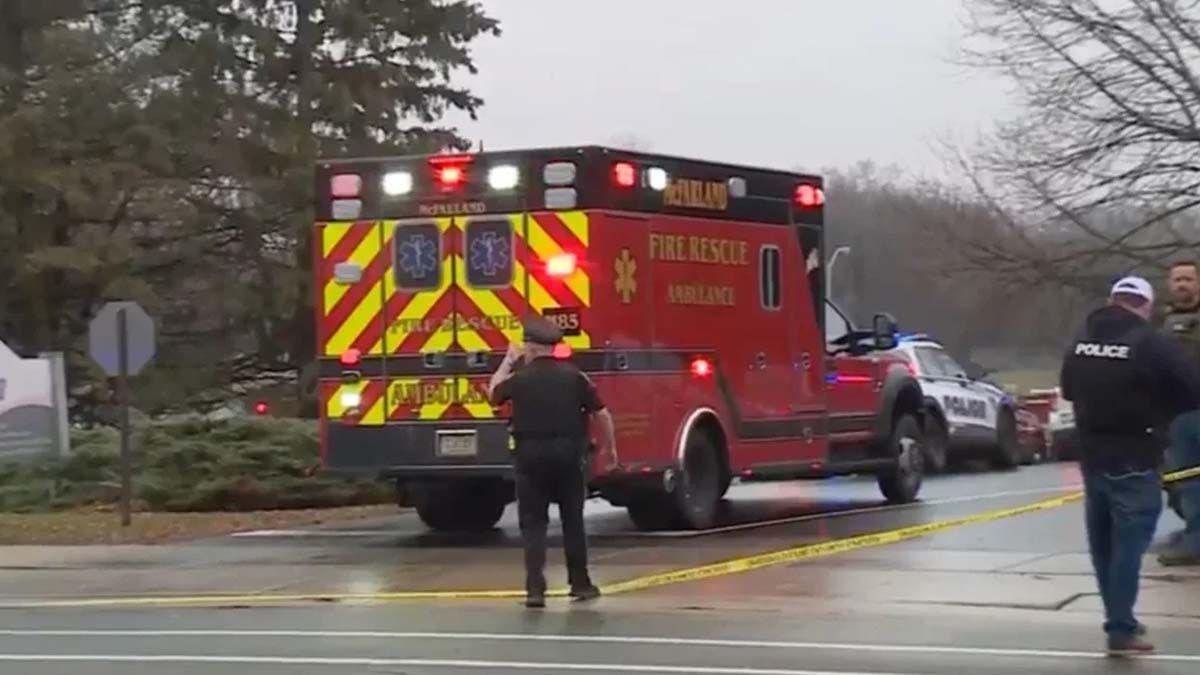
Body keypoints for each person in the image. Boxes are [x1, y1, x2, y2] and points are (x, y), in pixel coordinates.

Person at [1060, 276, 1200, 656]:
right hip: (1135, 456)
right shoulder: (1150, 343)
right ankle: (1121, 628)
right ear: (1146, 306)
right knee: (1128, 548)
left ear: (1112, 300)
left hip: (1091, 456)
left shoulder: (1081, 340)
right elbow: (1191, 389)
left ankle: (1119, 621)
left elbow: (1068, 388)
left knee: (1103, 546)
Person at [488, 315, 619, 608]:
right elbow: (602, 414)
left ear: (530, 348)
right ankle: (581, 585)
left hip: (530, 457)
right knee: (573, 521)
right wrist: (610, 450)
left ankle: (535, 590)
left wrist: (508, 361)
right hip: (569, 457)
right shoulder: (574, 377)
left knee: (533, 524)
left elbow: (493, 395)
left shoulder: (519, 380)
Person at [1158, 260, 1200, 566]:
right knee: (1176, 479)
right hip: (1171, 413)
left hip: (1194, 411)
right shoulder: (1163, 321)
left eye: (1188, 279)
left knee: (1191, 477)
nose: (1182, 285)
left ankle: (1196, 539)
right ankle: (1191, 530)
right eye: (1177, 280)